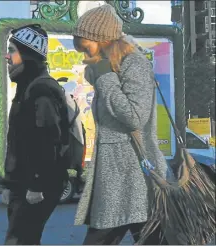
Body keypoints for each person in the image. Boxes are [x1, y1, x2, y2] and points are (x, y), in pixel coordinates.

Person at [72, 4, 170, 245]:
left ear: (102, 39)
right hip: (120, 174)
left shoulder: (133, 64)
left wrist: (104, 76)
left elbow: (135, 116)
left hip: (133, 174)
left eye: (86, 47)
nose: (84, 55)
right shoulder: (112, 67)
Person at [3, 24, 69, 245]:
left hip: (37, 183)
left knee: (20, 240)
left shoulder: (41, 90)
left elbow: (48, 139)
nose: (7, 56)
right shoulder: (27, 87)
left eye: (12, 50)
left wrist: (37, 184)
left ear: (28, 55)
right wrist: (10, 185)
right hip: (23, 182)